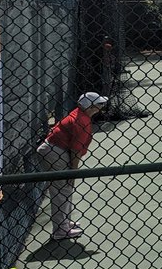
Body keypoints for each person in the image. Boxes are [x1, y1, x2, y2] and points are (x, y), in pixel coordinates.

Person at [36, 92, 108, 241]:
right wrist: (73, 173)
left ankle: (65, 223)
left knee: (65, 188)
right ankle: (61, 231)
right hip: (56, 152)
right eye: (99, 104)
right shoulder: (82, 121)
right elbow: (75, 151)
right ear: (91, 107)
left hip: (57, 150)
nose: (101, 107)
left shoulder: (81, 114)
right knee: (61, 189)